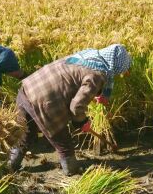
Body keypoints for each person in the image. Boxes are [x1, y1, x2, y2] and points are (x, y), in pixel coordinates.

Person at [8, 43, 131, 176]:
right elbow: (76, 107)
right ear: (117, 66)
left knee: (26, 134)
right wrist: (82, 122)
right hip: (45, 101)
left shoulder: (88, 56)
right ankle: (72, 171)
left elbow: (70, 79)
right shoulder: (97, 74)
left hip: (27, 88)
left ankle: (9, 166)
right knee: (63, 141)